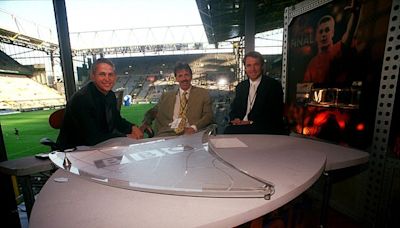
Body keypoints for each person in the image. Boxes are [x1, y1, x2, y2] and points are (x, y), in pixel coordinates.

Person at [57, 58, 143, 150]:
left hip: (98, 147)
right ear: (93, 76)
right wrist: (125, 137)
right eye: (102, 74)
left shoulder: (110, 95)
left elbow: (116, 120)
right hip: (73, 151)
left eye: (110, 74)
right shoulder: (82, 99)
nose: (107, 79)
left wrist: (132, 127)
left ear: (115, 77)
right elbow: (93, 138)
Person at [140, 62, 213, 137]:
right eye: (180, 76)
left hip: (192, 134)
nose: (184, 79)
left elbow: (208, 115)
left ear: (191, 76)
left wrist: (194, 127)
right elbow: (152, 112)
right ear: (176, 78)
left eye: (186, 75)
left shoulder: (202, 94)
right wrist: (145, 123)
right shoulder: (166, 96)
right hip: (168, 134)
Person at [224, 51, 286, 135]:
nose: (252, 69)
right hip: (242, 126)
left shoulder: (273, 86)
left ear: (262, 66)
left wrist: (250, 122)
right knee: (227, 131)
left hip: (263, 128)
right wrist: (236, 118)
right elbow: (234, 108)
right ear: (245, 68)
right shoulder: (241, 86)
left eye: (256, 65)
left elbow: (275, 114)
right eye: (249, 65)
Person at [303, 0, 361, 84]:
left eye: (327, 30)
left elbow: (348, 34)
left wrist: (355, 15)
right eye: (321, 31)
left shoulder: (336, 50)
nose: (323, 34)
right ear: (316, 36)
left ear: (332, 33)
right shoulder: (312, 63)